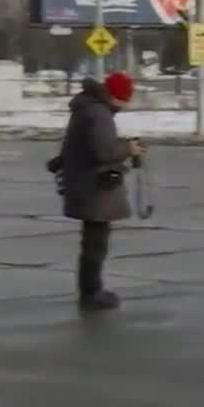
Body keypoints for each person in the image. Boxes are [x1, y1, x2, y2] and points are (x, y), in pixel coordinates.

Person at [57, 72, 143, 311]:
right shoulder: (99, 114)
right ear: (117, 96)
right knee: (96, 244)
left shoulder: (87, 109)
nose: (126, 105)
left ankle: (90, 290)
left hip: (84, 184)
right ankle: (92, 292)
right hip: (95, 188)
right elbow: (103, 152)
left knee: (92, 243)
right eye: (126, 99)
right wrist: (129, 148)